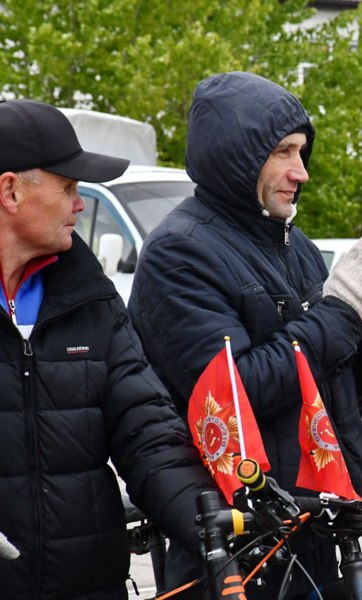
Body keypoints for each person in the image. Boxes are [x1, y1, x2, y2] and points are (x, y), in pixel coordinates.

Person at [128, 71, 362, 597]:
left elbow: (335, 389)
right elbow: (231, 400)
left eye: (302, 153)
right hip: (244, 544)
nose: (301, 172)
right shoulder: (180, 252)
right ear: (236, 153)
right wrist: (340, 312)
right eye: (284, 152)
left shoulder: (293, 243)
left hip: (320, 524)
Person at [0, 99, 219, 599]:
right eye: (69, 188)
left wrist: (207, 522)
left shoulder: (92, 296)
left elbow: (148, 434)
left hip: (91, 587)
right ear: (10, 190)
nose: (80, 203)